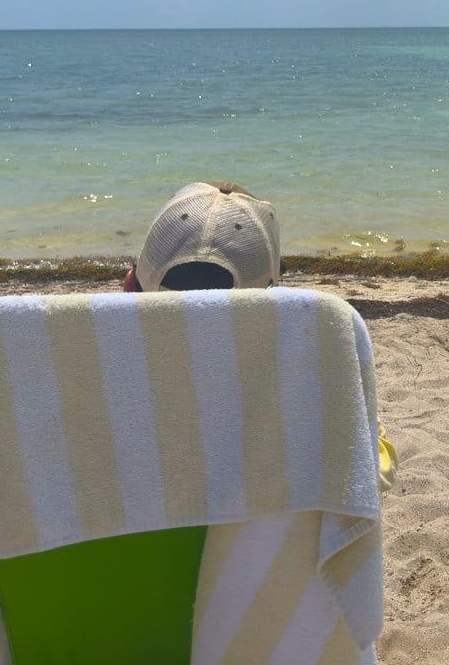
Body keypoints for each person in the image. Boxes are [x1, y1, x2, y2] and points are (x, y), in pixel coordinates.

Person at [125, 181, 398, 493]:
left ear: (129, 286)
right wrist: (369, 426)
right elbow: (371, 474)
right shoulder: (296, 404)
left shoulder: (95, 385)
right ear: (269, 305)